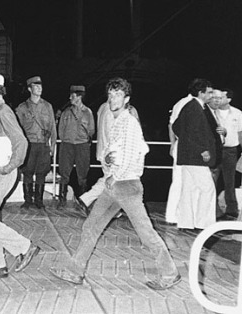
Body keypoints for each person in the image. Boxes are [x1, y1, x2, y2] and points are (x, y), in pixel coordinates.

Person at [50, 77, 181, 290]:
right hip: (115, 187)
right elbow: (114, 152)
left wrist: (112, 175)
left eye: (118, 95)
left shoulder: (129, 122)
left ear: (126, 98)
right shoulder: (117, 121)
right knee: (91, 226)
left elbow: (130, 155)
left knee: (146, 233)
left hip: (126, 186)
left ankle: (169, 273)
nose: (113, 99)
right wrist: (108, 160)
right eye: (110, 95)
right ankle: (75, 271)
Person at [0, 72, 40, 279]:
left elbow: (21, 142)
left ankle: (24, 247)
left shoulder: (3, 112)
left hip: (3, 173)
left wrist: (9, 166)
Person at [77, 98, 139, 212]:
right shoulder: (117, 111)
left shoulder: (102, 107)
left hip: (103, 150)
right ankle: (87, 200)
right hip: (112, 153)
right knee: (111, 179)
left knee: (112, 179)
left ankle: (112, 208)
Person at [172, 78, 216, 230]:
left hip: (187, 156)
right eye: (209, 92)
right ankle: (202, 223)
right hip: (196, 158)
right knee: (208, 188)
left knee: (187, 190)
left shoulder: (190, 107)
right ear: (201, 93)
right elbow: (194, 133)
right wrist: (202, 150)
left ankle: (186, 222)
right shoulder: (196, 108)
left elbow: (176, 127)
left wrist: (184, 144)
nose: (211, 95)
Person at [16, 76, 57, 209]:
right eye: (36, 86)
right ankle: (27, 200)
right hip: (29, 144)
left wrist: (53, 146)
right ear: (29, 88)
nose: (39, 88)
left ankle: (39, 200)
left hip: (43, 144)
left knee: (41, 172)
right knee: (27, 172)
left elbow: (52, 128)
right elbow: (17, 129)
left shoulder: (47, 106)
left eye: (40, 86)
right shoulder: (22, 108)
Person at [57, 85, 95, 209]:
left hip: (82, 145)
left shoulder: (87, 112)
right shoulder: (66, 112)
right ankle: (62, 199)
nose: (70, 98)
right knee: (64, 172)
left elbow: (91, 130)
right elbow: (61, 130)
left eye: (72, 96)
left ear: (79, 97)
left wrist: (82, 140)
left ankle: (82, 200)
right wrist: (66, 140)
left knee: (82, 173)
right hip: (67, 145)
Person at [215, 89, 242, 220]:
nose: (218, 100)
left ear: (228, 99)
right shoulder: (212, 112)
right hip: (215, 150)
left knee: (230, 181)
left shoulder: (237, 113)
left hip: (231, 151)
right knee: (212, 181)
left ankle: (231, 210)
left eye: (221, 97)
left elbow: (241, 133)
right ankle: (213, 210)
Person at [165, 93, 193, 224]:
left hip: (186, 147)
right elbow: (172, 125)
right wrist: (172, 144)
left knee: (185, 182)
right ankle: (172, 214)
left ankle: (179, 214)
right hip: (183, 146)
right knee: (179, 181)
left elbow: (171, 125)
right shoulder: (184, 104)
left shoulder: (182, 103)